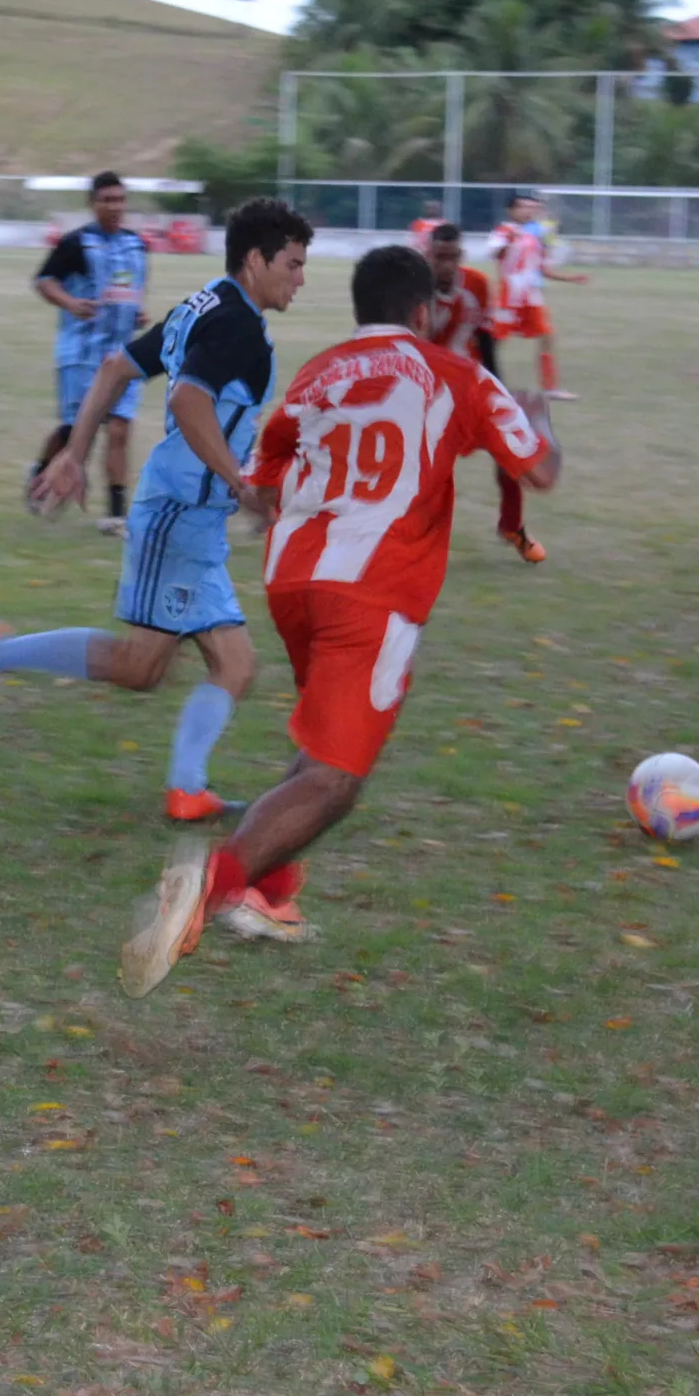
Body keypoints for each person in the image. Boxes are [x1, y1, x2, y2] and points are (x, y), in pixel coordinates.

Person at [118, 245, 560, 994]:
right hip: (371, 589)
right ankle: (209, 885)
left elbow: (262, 478)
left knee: (324, 740)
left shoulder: (319, 371)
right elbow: (538, 470)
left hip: (295, 579)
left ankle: (266, 891)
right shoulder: (454, 372)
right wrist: (541, 416)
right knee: (335, 779)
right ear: (422, 312)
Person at [0, 198, 315, 824]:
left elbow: (120, 366)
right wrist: (243, 483)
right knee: (168, 665)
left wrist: (74, 451)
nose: (300, 278)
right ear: (256, 260)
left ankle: (185, 789)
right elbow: (190, 403)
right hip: (178, 512)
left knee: (201, 665)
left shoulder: (206, 302)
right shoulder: (234, 325)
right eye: (292, 263)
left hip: (191, 516)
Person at [30, 172, 148, 528]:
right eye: (107, 200)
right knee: (73, 431)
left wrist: (135, 311)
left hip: (123, 355)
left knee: (119, 429)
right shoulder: (75, 244)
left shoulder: (136, 246)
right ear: (92, 204)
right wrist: (70, 302)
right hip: (81, 353)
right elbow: (43, 281)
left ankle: (115, 514)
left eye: (120, 199)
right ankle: (39, 476)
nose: (115, 206)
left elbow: (129, 288)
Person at [426, 223, 544, 564]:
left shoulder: (477, 284)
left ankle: (512, 527)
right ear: (428, 255)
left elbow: (487, 340)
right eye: (439, 257)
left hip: (473, 390)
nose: (445, 266)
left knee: (510, 455)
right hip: (432, 396)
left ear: (460, 256)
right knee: (429, 471)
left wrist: (501, 392)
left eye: (452, 257)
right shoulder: (414, 289)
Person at [488, 193, 586, 400]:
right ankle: (477, 383)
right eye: (524, 206)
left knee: (547, 336)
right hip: (509, 297)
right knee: (493, 341)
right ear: (512, 210)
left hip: (531, 297)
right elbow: (494, 253)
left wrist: (570, 278)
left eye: (533, 207)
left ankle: (550, 388)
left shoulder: (534, 237)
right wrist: (509, 241)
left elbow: (542, 269)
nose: (530, 211)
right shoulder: (503, 231)